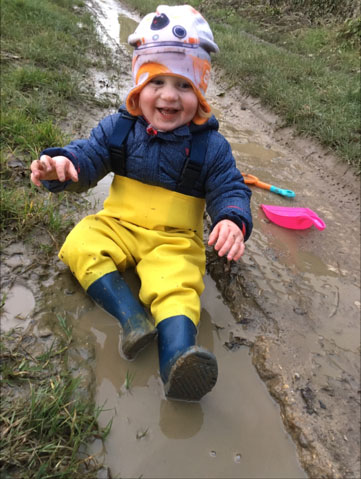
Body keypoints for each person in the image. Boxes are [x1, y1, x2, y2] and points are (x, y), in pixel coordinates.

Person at [30, 4, 253, 402]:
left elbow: (229, 187)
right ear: (137, 87)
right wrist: (64, 165)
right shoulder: (119, 129)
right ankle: (131, 317)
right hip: (119, 225)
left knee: (177, 288)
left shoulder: (212, 146)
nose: (169, 96)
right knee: (81, 240)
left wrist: (232, 220)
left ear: (200, 94)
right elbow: (90, 154)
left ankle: (178, 361)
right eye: (156, 82)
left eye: (184, 86)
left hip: (173, 239)